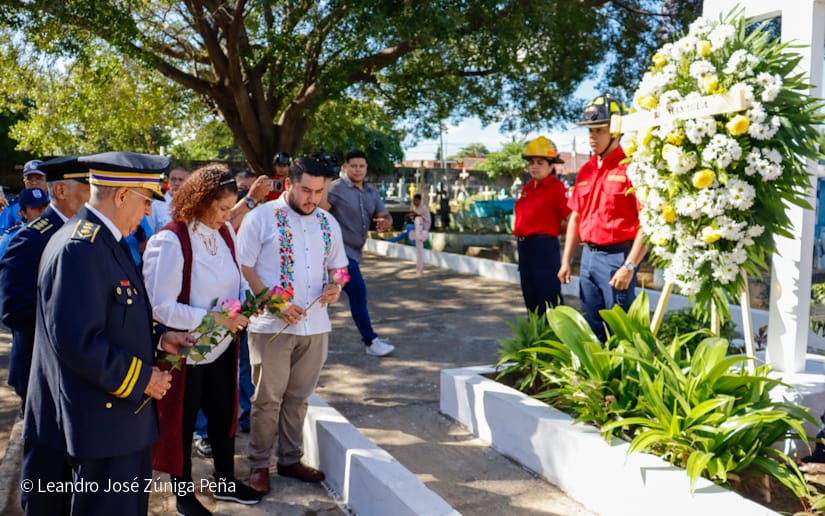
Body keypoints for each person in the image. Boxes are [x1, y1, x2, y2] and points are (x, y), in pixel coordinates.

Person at [22, 151, 192, 516]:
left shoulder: (99, 239)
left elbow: (114, 314)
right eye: (146, 200)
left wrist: (161, 339)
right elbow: (78, 341)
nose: (148, 211)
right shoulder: (80, 247)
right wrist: (142, 378)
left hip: (111, 421)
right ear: (121, 196)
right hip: (101, 424)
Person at [143, 164, 263, 515]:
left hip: (223, 345)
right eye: (222, 208)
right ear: (200, 201)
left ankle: (224, 482)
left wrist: (243, 304)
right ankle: (183, 496)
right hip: (185, 350)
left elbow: (236, 278)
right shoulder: (170, 240)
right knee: (182, 421)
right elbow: (160, 307)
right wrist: (210, 318)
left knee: (225, 414)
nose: (228, 216)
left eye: (230, 208)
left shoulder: (224, 231)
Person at [237, 156, 347, 493]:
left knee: (299, 397)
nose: (312, 198)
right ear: (288, 184)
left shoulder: (328, 222)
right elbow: (244, 266)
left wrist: (336, 287)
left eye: (318, 190)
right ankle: (258, 465)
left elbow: (340, 268)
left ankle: (289, 460)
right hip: (271, 327)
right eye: (305, 190)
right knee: (267, 399)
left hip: (315, 327)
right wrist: (273, 301)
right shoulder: (260, 218)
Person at [0, 156, 91, 408]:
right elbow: (15, 311)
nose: (91, 196)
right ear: (60, 190)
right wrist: (70, 337)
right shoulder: (30, 239)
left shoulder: (82, 230)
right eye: (86, 189)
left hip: (74, 368)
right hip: (40, 366)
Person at [558, 94, 647, 341]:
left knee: (620, 330)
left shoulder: (632, 169)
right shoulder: (586, 170)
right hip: (588, 258)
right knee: (592, 327)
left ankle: (624, 378)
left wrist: (629, 266)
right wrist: (567, 261)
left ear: (616, 132)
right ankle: (599, 380)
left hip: (617, 258)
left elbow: (648, 223)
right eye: (589, 131)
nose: (592, 137)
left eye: (599, 130)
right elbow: (575, 218)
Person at [321, 149, 395, 356]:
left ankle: (311, 343)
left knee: (329, 297)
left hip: (354, 253)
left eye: (361, 166)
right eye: (353, 166)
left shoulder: (371, 192)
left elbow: (384, 215)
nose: (358, 170)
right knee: (358, 294)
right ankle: (371, 341)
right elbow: (320, 210)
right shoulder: (335, 189)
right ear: (345, 167)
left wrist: (386, 222)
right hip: (338, 255)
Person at [513, 136, 572, 314]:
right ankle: (536, 335)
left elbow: (570, 219)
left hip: (544, 247)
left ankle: (552, 337)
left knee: (548, 297)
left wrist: (554, 231)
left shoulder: (556, 188)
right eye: (531, 162)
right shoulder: (528, 187)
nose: (534, 166)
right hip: (525, 247)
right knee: (530, 295)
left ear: (551, 165)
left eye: (540, 162)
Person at [0, 188, 50, 258]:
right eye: (35, 208)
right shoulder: (12, 237)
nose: (42, 211)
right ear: (23, 213)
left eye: (44, 206)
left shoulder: (56, 230)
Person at [0, 160, 48, 232]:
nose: (34, 182)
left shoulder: (57, 203)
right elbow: (3, 235)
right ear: (24, 181)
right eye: (29, 179)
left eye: (38, 178)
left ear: (47, 180)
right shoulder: (13, 207)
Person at [147, 166, 190, 233]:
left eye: (180, 180)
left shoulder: (194, 205)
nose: (176, 183)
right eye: (173, 179)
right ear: (168, 181)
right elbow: (149, 234)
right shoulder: (156, 205)